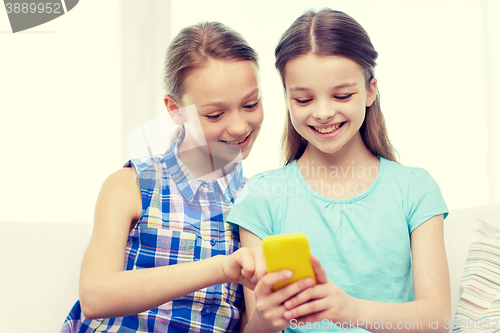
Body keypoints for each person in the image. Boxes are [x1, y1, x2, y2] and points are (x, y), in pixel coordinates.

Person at [227, 9, 450, 333]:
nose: (323, 112)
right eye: (303, 100)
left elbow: (438, 319)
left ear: (371, 90)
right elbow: (254, 328)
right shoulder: (261, 196)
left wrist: (349, 310)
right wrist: (266, 318)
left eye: (342, 95)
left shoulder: (414, 188)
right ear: (287, 98)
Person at [61, 21, 281, 333]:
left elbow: (252, 325)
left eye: (250, 104)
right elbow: (95, 297)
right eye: (215, 114)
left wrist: (272, 318)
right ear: (175, 110)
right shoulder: (131, 185)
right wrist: (222, 268)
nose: (239, 127)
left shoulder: (255, 203)